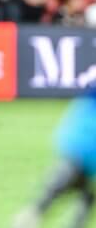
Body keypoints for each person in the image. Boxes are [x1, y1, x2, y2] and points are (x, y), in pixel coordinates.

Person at [12, 85, 96, 228]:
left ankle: (37, 210)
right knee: (83, 186)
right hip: (83, 139)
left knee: (76, 180)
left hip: (77, 140)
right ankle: (38, 210)